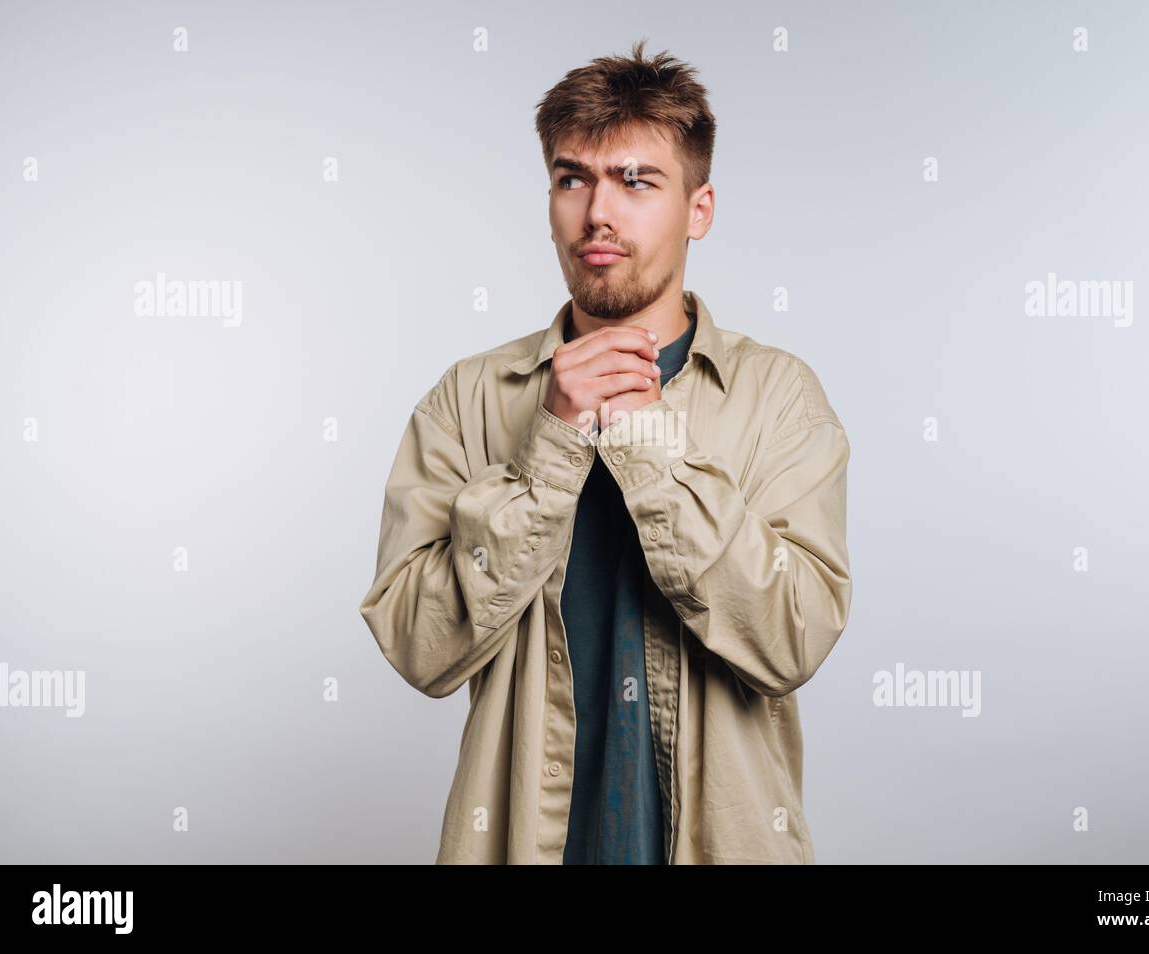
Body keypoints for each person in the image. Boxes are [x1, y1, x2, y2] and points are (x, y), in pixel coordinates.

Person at [359, 39, 852, 864]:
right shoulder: (470, 398)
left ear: (699, 208)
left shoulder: (779, 399)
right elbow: (418, 647)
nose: (597, 214)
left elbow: (792, 640)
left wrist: (648, 442)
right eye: (571, 178)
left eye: (636, 181)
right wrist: (549, 444)